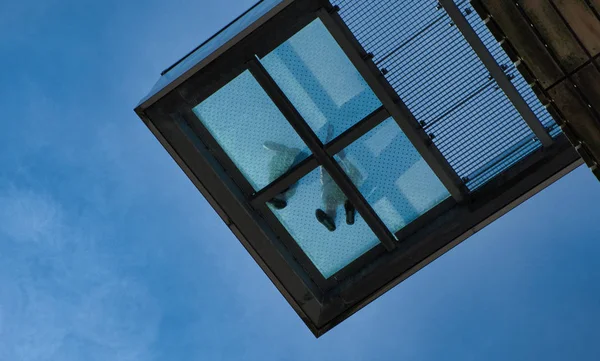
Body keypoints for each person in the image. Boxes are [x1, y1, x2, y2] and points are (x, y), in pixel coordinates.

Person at [315, 125, 363, 232]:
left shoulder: (327, 194)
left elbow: (323, 165)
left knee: (338, 199)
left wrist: (329, 137)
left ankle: (347, 209)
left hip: (337, 191)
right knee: (348, 195)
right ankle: (349, 209)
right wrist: (344, 159)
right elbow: (323, 165)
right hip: (341, 191)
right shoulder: (346, 174)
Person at [263, 140, 308, 209]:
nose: (273, 195)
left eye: (271, 197)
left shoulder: (274, 182)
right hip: (303, 159)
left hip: (300, 156)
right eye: (273, 198)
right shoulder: (286, 188)